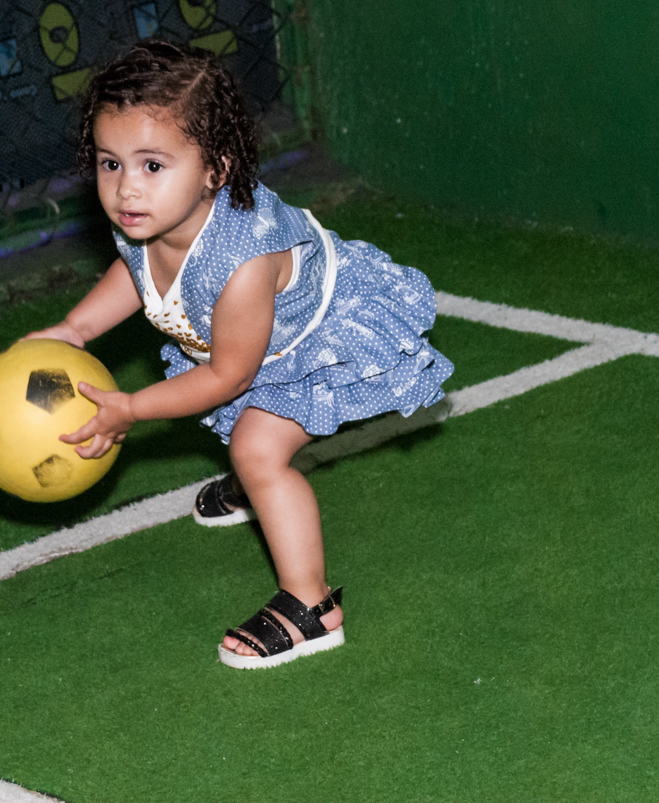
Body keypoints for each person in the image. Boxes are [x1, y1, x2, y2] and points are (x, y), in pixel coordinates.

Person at [26, 39, 453, 669]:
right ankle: (257, 485)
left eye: (151, 165)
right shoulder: (149, 219)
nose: (125, 190)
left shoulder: (243, 262)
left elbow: (229, 375)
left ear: (215, 171)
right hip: (252, 342)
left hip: (316, 338)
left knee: (256, 445)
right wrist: (76, 328)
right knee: (252, 438)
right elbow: (138, 273)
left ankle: (311, 608)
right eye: (110, 164)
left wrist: (131, 408)